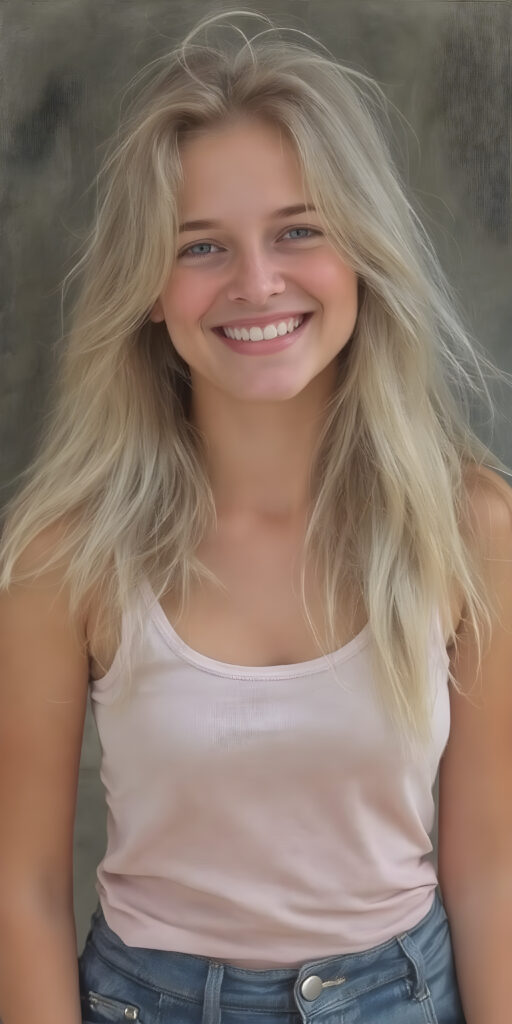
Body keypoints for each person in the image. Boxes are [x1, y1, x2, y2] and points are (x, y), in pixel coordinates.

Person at [0, 8, 511, 1024]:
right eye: (200, 247)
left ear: (358, 254)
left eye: (297, 231)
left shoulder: (467, 527)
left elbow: (492, 871)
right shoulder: (66, 554)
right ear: (147, 286)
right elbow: (19, 885)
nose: (256, 282)